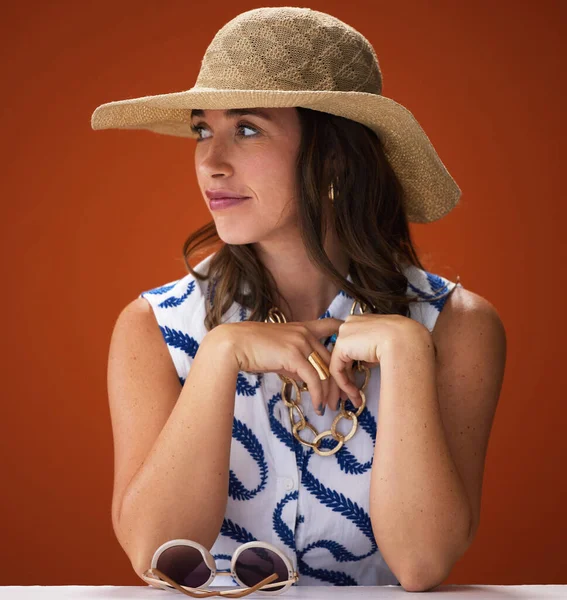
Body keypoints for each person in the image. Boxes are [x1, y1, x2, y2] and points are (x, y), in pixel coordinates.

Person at [92, 7, 506, 593]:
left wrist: (408, 351)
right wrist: (219, 355)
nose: (210, 162)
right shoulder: (155, 328)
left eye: (247, 128)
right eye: (202, 129)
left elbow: (422, 564)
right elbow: (153, 554)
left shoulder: (458, 327)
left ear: (333, 157)